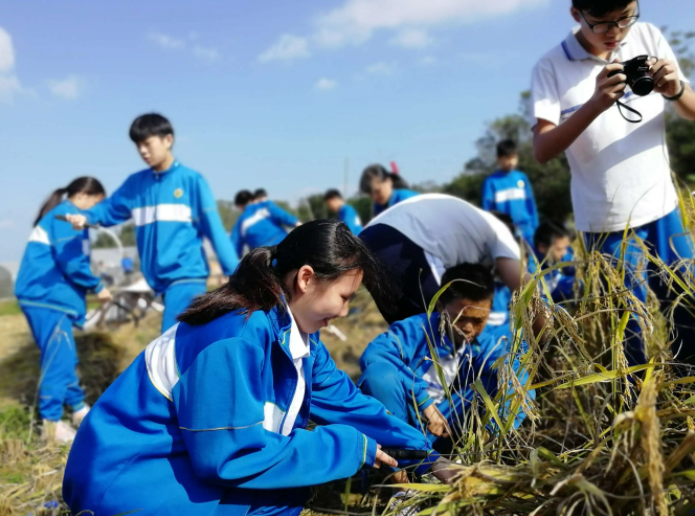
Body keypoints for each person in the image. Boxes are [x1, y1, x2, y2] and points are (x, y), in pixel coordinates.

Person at [63, 220, 443, 516]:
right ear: (306, 278)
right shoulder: (236, 335)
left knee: (287, 488)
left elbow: (351, 404)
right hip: (125, 479)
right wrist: (346, 446)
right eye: (344, 297)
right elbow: (229, 456)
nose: (344, 312)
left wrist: (429, 457)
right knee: (280, 491)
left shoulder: (294, 334)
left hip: (168, 465)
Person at [530, 0, 695, 365]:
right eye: (603, 23)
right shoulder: (550, 67)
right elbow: (542, 149)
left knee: (688, 311)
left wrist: (675, 89)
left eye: (626, 18)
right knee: (628, 335)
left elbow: (691, 109)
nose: (616, 32)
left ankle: (686, 399)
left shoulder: (648, 36)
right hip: (606, 225)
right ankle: (637, 413)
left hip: (663, 208)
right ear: (577, 15)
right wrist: (595, 103)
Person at [64, 114, 239, 333]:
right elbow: (108, 209)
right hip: (157, 281)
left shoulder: (191, 181)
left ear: (168, 140)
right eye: (138, 145)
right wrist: (86, 217)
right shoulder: (135, 185)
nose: (142, 151)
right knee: (181, 346)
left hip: (186, 276)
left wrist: (235, 272)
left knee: (170, 344)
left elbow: (215, 229)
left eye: (147, 143)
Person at [359, 264, 532, 452]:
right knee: (379, 374)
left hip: (444, 424)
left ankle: (472, 451)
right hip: (400, 421)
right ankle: (401, 459)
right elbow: (375, 355)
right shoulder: (416, 330)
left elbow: (515, 373)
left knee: (503, 380)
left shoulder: (484, 344)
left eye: (478, 320)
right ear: (441, 306)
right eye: (460, 318)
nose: (468, 328)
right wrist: (423, 400)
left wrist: (492, 432)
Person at [15, 178, 113, 444]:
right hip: (47, 298)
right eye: (96, 203)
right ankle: (51, 424)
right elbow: (72, 262)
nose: (94, 211)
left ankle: (79, 409)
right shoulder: (67, 218)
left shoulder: (58, 217)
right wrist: (98, 286)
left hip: (45, 297)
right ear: (84, 195)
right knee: (58, 359)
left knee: (64, 354)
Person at [359, 194, 523, 325]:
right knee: (446, 329)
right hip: (405, 240)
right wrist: (546, 347)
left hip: (366, 242)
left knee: (409, 336)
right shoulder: (501, 233)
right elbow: (527, 292)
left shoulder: (472, 228)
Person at [481, 140, 539, 244]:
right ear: (498, 159)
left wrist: (535, 227)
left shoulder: (522, 177)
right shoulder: (491, 182)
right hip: (504, 231)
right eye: (507, 158)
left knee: (530, 259)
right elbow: (487, 209)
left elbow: (530, 204)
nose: (511, 162)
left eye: (514, 158)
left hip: (527, 230)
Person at [230, 189, 301, 256]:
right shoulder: (265, 205)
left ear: (239, 206)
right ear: (253, 199)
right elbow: (282, 215)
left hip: (263, 254)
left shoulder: (240, 222)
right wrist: (297, 223)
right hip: (283, 242)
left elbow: (235, 247)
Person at [529, 222, 576, 303]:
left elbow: (572, 266)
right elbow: (536, 304)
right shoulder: (531, 270)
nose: (564, 253)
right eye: (559, 249)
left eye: (565, 248)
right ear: (542, 247)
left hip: (556, 286)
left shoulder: (559, 255)